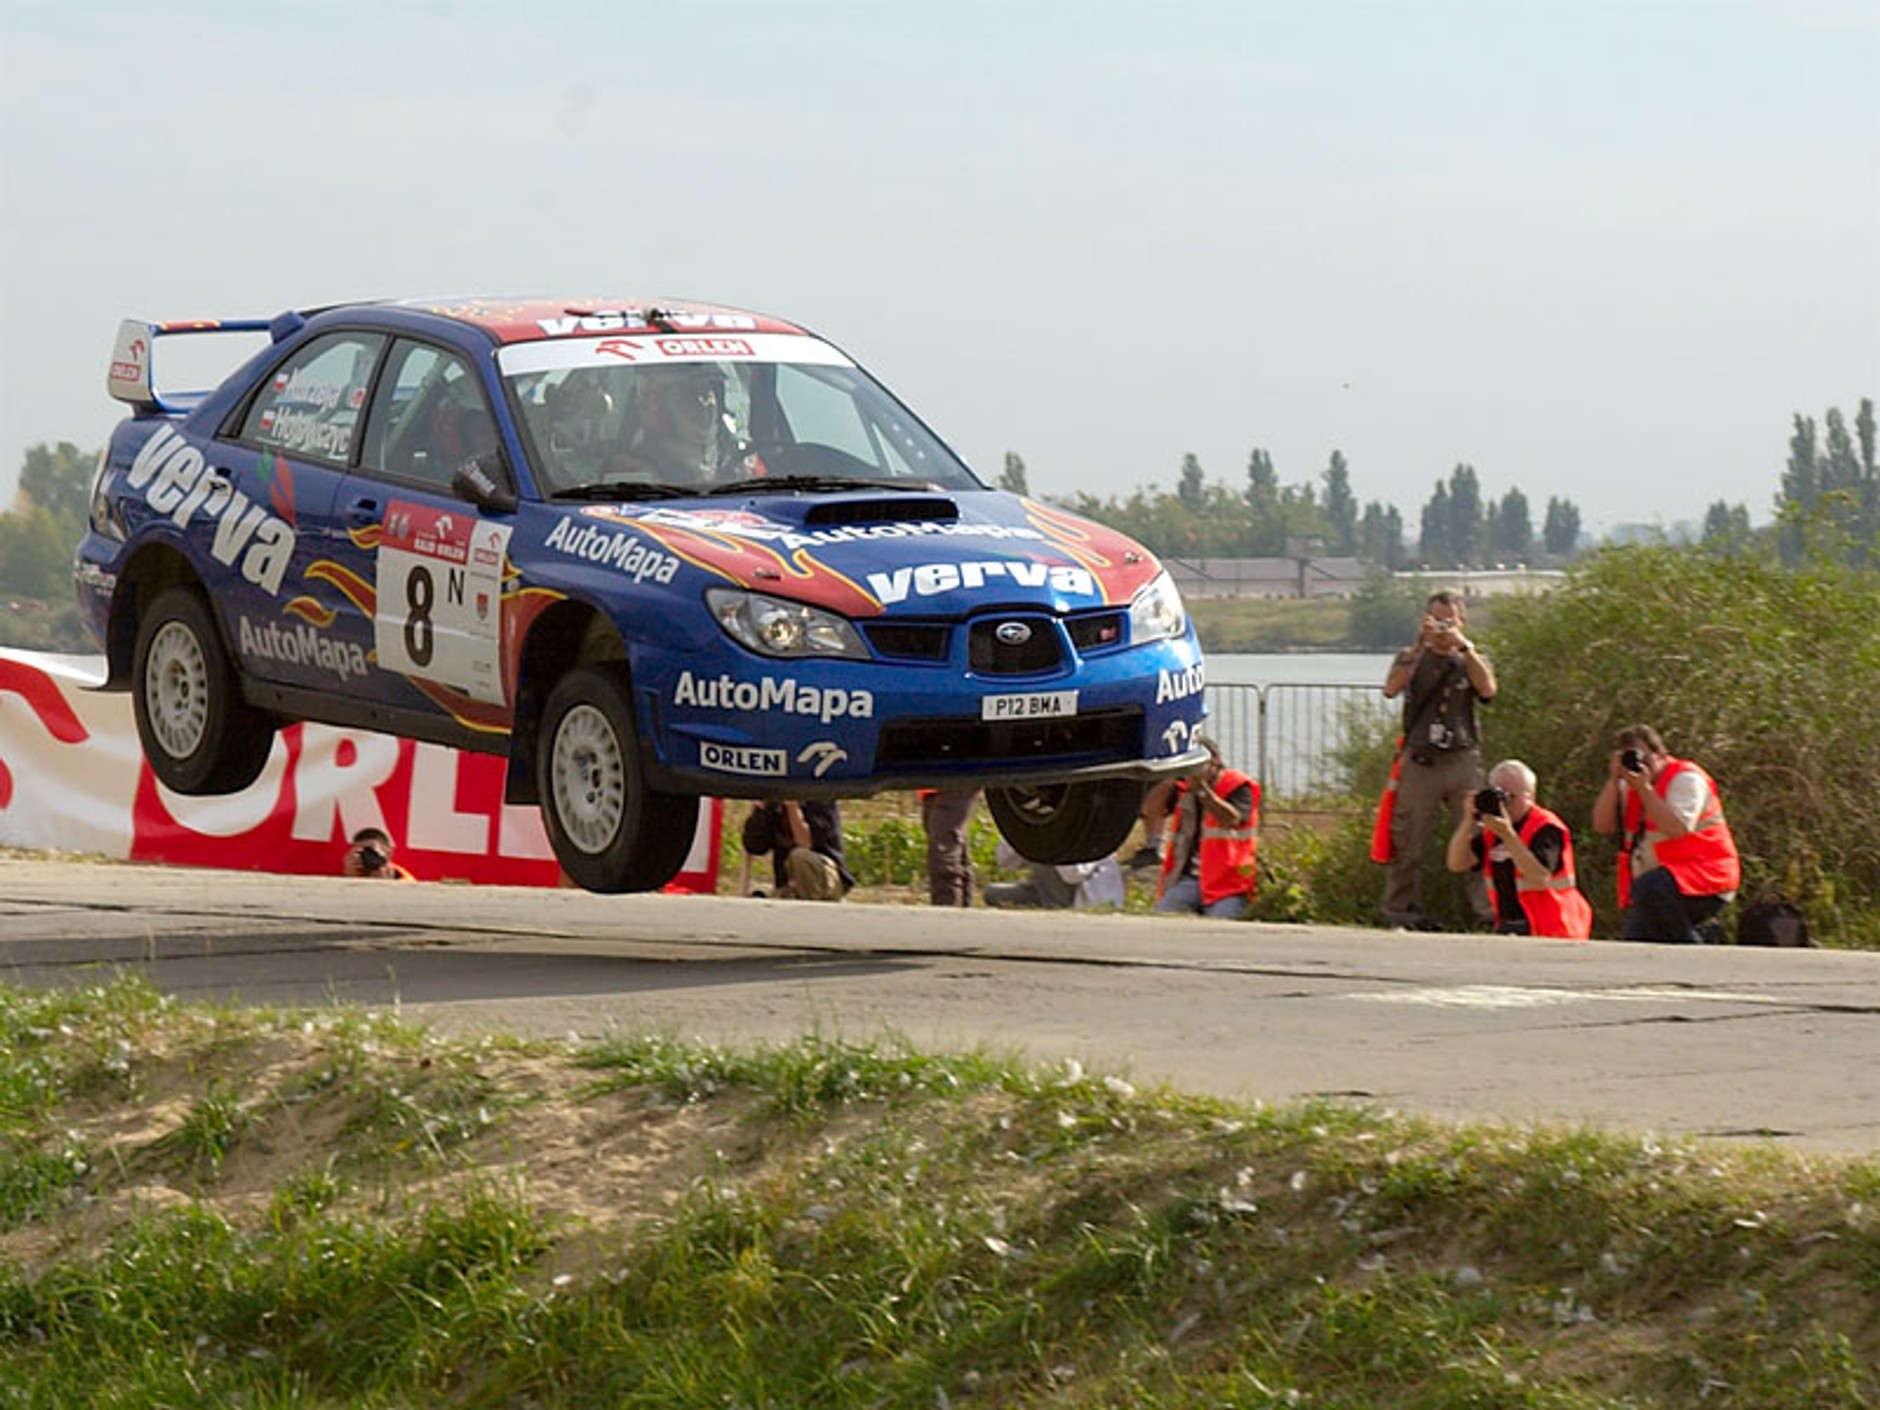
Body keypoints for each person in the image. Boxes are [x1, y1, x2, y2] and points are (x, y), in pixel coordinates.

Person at [1378, 589, 1498, 930]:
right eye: (1437, 619)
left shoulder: (1472, 657)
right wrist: (1420, 646)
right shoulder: (1412, 657)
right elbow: (1390, 688)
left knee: (1476, 834)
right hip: (1421, 760)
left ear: (1462, 621)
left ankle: (1487, 912)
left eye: (1450, 620)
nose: (1443, 627)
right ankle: (1399, 910)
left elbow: (1488, 689)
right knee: (1408, 840)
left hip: (1462, 758)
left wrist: (1464, 646)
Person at [1592, 724, 1740, 943]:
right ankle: (1700, 942)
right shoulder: (1630, 786)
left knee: (1650, 889)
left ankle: (1697, 954)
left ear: (1660, 754)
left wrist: (1644, 789)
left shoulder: (1687, 780)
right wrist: (1613, 782)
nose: (1639, 764)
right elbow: (1602, 826)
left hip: (1706, 878)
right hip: (1661, 884)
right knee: (1636, 944)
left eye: (1643, 756)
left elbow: (1677, 827)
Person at [1444, 759, 1592, 939]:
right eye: (1498, 796)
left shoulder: (1546, 827)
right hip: (1510, 925)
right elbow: (1456, 864)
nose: (1504, 804)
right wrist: (1468, 821)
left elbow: (1540, 877)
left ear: (1530, 797)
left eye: (1510, 797)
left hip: (1552, 928)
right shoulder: (1492, 831)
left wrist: (1508, 836)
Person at [1152, 735, 1260, 919]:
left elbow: (1232, 819)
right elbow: (1151, 810)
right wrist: (1166, 778)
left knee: (1221, 927)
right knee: (1161, 917)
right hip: (1191, 879)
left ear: (1215, 761)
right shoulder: (1183, 789)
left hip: (1228, 882)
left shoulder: (1236, 785)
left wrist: (1203, 791)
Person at [741, 799, 853, 901]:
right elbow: (755, 847)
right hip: (789, 884)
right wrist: (760, 812)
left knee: (800, 856)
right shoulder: (775, 805)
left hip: (824, 878)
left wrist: (792, 807)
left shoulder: (820, 801)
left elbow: (805, 843)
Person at [984, 838, 1126, 910]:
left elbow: (1073, 875)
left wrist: (1051, 843)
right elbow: (1004, 862)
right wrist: (1021, 836)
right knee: (991, 893)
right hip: (1041, 891)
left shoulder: (1092, 829)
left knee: (1047, 859)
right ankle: (1043, 904)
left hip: (1079, 897)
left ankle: (1052, 910)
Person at [919, 787, 979, 906]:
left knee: (943, 851)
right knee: (954, 849)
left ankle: (947, 909)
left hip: (956, 778)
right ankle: (961, 911)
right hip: (932, 783)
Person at [342, 826, 415, 881]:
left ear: (389, 854)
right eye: (361, 853)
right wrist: (349, 877)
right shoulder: (354, 873)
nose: (367, 856)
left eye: (371, 852)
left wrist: (385, 885)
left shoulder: (404, 879)